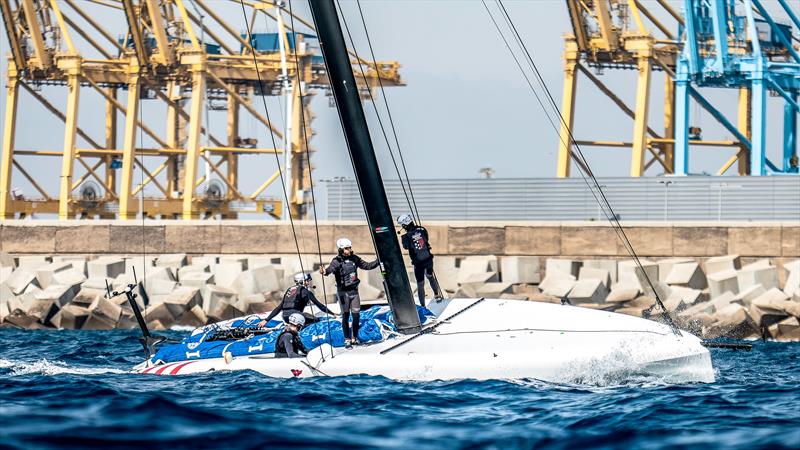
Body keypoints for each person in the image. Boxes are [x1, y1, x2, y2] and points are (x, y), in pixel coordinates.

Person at [319, 237, 380, 347]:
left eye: (349, 248)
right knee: (346, 316)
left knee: (356, 316)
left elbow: (367, 266)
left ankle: (354, 338)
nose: (349, 250)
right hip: (343, 294)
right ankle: (347, 339)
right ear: (341, 249)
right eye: (346, 248)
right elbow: (329, 270)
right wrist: (324, 271)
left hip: (354, 293)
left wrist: (379, 260)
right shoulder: (336, 261)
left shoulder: (355, 258)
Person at [397, 214, 443, 308]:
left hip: (418, 263)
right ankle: (437, 295)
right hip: (428, 259)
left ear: (404, 225)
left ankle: (423, 306)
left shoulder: (405, 237)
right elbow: (426, 239)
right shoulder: (422, 229)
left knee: (420, 284)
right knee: (430, 276)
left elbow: (406, 247)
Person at [261, 272, 336, 327]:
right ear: (301, 281)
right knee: (316, 320)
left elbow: (280, 307)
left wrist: (266, 320)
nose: (309, 282)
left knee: (308, 315)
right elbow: (320, 305)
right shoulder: (306, 292)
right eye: (307, 280)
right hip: (296, 316)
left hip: (285, 317)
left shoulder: (289, 290)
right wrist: (333, 314)